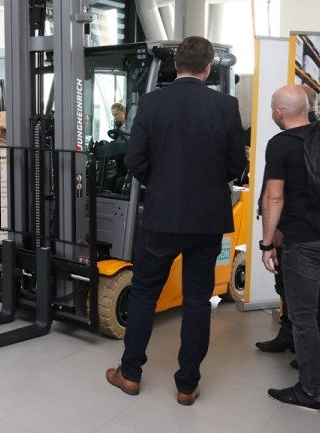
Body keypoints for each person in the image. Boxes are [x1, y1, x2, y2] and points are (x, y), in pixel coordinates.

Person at [106, 36, 247, 406]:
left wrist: (161, 184)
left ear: (176, 64)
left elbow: (134, 159)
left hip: (162, 216)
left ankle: (130, 374)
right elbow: (237, 163)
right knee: (198, 301)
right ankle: (187, 385)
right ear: (208, 67)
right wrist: (209, 184)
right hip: (207, 218)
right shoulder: (226, 105)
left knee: (144, 294)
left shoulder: (152, 103)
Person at [260, 85, 320, 412]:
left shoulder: (281, 144)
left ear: (279, 112)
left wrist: (267, 243)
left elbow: (274, 197)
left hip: (303, 241)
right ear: (307, 109)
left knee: (303, 316)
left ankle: (310, 391)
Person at [255, 84, 318, 356]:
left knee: (299, 293)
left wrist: (272, 234)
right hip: (316, 231)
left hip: (295, 231)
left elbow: (280, 194)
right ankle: (290, 335)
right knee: (288, 288)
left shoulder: (290, 142)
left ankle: (307, 355)